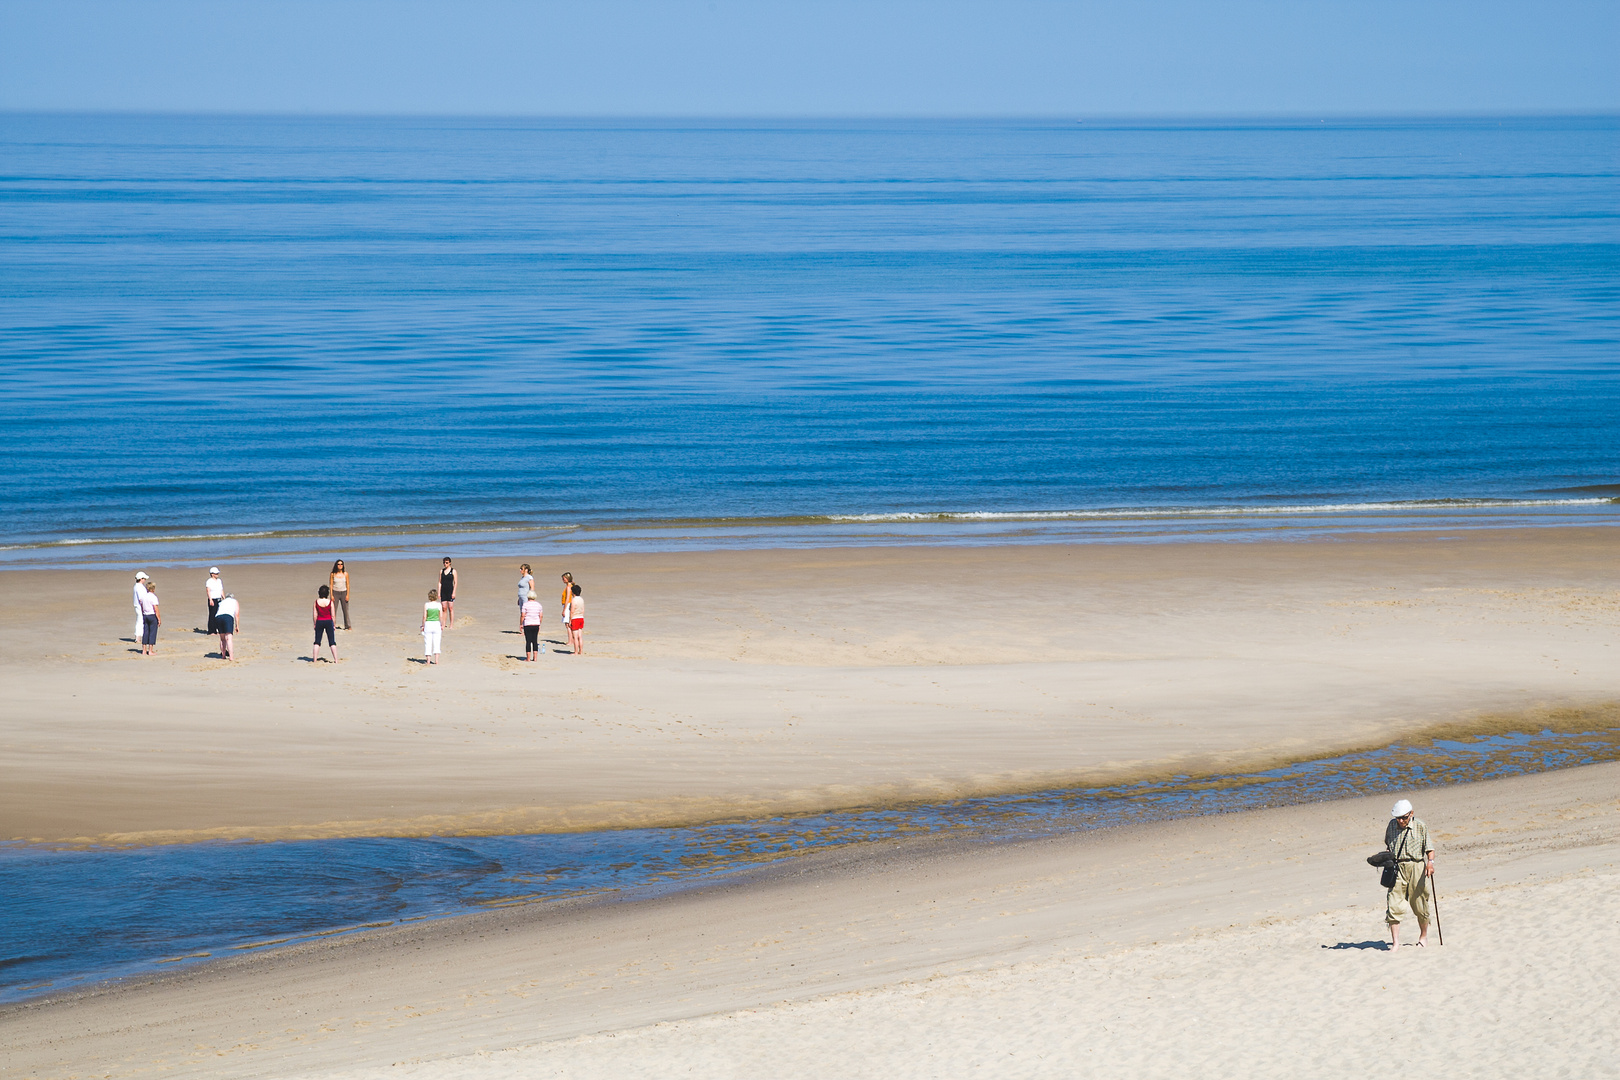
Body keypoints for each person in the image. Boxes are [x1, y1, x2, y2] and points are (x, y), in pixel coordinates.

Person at [1384, 798, 1436, 950]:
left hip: (1416, 867)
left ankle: (1423, 936)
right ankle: (1395, 943)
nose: (1401, 821)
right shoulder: (1392, 826)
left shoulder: (1420, 826)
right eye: (1398, 818)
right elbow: (1388, 845)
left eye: (1404, 817)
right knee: (1394, 904)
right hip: (1398, 867)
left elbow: (1430, 849)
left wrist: (1430, 863)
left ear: (1411, 814)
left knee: (1420, 904)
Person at [311, 584, 340, 663]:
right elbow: (333, 615)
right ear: (327, 593)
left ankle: (314, 660)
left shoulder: (316, 602)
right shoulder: (330, 602)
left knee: (317, 641)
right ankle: (336, 660)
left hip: (319, 621)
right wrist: (334, 625)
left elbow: (315, 615)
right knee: (332, 641)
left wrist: (315, 624)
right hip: (328, 621)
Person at [520, 590, 544, 661]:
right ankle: (535, 658)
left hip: (528, 624)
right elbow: (541, 616)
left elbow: (523, 615)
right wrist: (539, 623)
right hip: (536, 624)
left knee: (528, 641)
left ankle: (528, 658)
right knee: (535, 641)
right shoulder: (539, 605)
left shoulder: (525, 604)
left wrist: (521, 624)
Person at [215, 592, 240, 661]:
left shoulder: (222, 602)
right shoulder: (234, 601)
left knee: (222, 638)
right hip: (228, 617)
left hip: (218, 617)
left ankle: (223, 655)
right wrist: (237, 625)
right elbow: (237, 614)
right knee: (229, 638)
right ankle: (231, 657)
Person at [138, 579, 160, 656]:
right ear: (153, 589)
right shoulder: (153, 597)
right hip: (152, 615)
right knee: (152, 632)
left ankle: (144, 650)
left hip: (145, 615)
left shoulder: (143, 597)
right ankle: (150, 650)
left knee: (145, 632)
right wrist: (159, 619)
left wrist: (143, 613)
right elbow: (156, 609)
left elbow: (141, 606)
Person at [329, 559, 352, 630]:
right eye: (338, 564)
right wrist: (331, 595)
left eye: (341, 564)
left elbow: (348, 584)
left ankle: (347, 625)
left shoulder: (345, 574)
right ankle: (332, 625)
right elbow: (331, 585)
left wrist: (347, 595)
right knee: (333, 610)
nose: (340, 565)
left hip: (344, 592)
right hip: (335, 592)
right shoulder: (333, 574)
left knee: (345, 610)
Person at [422, 588, 443, 664]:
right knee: (437, 642)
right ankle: (436, 660)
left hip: (428, 624)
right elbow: (441, 616)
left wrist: (423, 625)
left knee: (428, 642)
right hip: (436, 624)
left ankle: (428, 660)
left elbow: (424, 616)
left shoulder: (427, 605)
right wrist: (442, 624)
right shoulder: (438, 605)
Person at [439, 558, 458, 629]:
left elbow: (455, 583)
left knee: (450, 608)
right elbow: (440, 582)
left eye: (446, 563)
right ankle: (443, 624)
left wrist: (454, 592)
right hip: (443, 591)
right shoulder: (442, 571)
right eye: (444, 563)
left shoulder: (453, 571)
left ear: (450, 563)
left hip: (450, 591)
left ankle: (451, 624)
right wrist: (439, 592)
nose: (445, 564)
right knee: (444, 608)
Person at [205, 567, 224, 633]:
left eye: (217, 573)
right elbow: (208, 591)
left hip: (219, 599)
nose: (217, 574)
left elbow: (221, 590)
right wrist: (210, 600)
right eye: (216, 573)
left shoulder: (219, 581)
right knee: (212, 615)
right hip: (213, 599)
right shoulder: (209, 581)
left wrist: (224, 598)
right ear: (212, 574)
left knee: (218, 615)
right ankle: (211, 631)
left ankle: (217, 629)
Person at [568, 582, 585, 656]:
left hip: (575, 618)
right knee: (580, 636)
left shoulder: (574, 600)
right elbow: (583, 609)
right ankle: (580, 651)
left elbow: (572, 611)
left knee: (575, 637)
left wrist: (570, 620)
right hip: (581, 617)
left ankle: (575, 651)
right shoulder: (581, 599)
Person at [132, 571, 150, 640]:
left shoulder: (137, 586)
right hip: (140, 606)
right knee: (140, 621)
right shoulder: (139, 587)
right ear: (141, 579)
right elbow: (141, 599)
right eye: (144, 579)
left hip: (138, 606)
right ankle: (138, 636)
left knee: (140, 620)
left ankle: (139, 636)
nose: (145, 580)